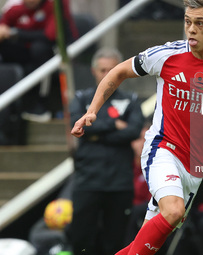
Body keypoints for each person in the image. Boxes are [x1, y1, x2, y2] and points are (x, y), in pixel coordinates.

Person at [71, 1, 203, 254]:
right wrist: (92, 111)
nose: (191, 29)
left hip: (195, 165)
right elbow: (117, 72)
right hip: (163, 149)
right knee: (173, 211)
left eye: (199, 23)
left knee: (147, 243)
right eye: (187, 21)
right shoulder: (166, 54)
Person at [68, 47, 144, 255]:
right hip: (88, 180)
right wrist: (116, 125)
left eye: (112, 71)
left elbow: (134, 131)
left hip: (119, 182)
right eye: (103, 70)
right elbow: (78, 128)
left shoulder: (131, 99)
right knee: (82, 240)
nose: (106, 75)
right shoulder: (82, 98)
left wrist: (97, 131)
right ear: (94, 71)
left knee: (116, 242)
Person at [0, 0, 78, 122]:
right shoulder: (14, 7)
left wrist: (15, 33)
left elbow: (50, 35)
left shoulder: (56, 4)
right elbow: (3, 29)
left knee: (39, 49)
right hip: (26, 54)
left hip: (53, 53)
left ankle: (40, 103)